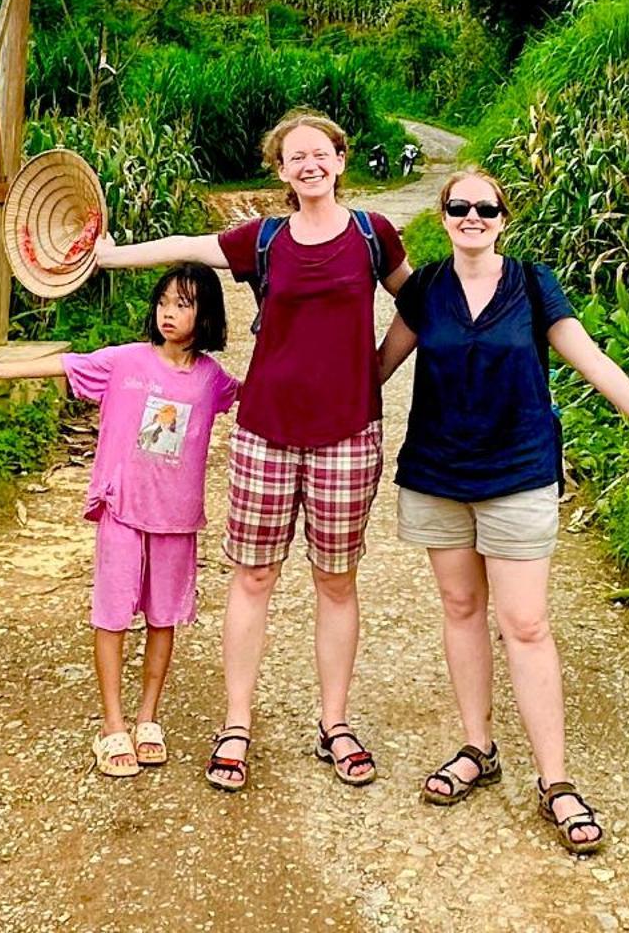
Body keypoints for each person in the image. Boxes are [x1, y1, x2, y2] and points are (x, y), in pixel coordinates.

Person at [377, 168, 629, 855]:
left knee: (525, 623)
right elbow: (373, 371)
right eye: (458, 207)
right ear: (444, 214)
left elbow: (592, 361)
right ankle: (476, 747)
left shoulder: (531, 283)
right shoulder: (426, 289)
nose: (471, 216)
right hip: (435, 473)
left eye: (484, 207)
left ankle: (555, 780)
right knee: (459, 609)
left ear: (502, 217)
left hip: (518, 472)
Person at [94, 110, 407, 792]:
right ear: (280, 171)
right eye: (294, 157)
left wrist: (374, 371)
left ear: (340, 160)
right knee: (254, 578)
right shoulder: (264, 240)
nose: (308, 165)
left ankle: (335, 723)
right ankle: (235, 723)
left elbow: (418, 308)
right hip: (264, 433)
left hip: (349, 436)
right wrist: (111, 255)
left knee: (335, 581)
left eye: (318, 153)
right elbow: (186, 243)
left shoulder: (370, 234)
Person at [0, 264, 237, 778]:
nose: (169, 312)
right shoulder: (126, 362)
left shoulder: (211, 380)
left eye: (184, 304)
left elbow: (259, 395)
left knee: (164, 617)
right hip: (121, 510)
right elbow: (61, 365)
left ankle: (147, 719)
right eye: (164, 301)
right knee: (113, 614)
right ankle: (113, 725)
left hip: (177, 519)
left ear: (206, 314)